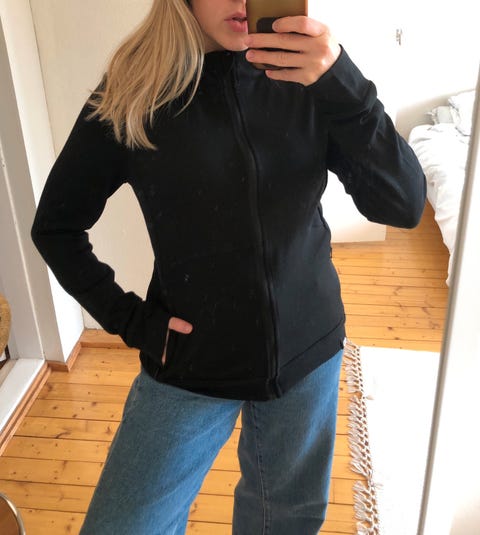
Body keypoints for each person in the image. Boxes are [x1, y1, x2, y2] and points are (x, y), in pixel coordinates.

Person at [30, 1, 426, 533]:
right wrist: (133, 322)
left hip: (308, 353)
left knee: (285, 522)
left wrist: (342, 83)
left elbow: (402, 205)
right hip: (191, 362)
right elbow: (55, 228)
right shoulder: (135, 91)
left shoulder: (311, 78)